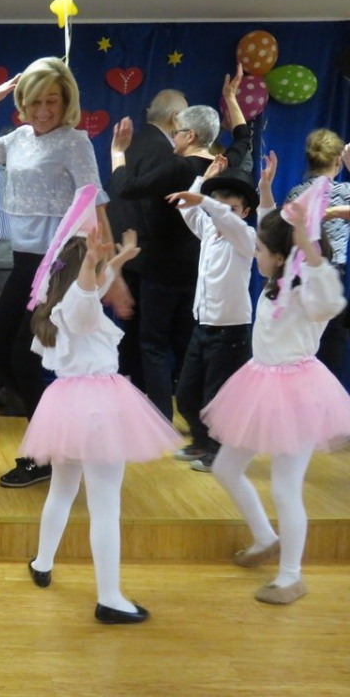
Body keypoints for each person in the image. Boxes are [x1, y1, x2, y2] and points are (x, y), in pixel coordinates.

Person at [0, 56, 119, 487]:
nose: (44, 110)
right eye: (36, 102)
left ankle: (45, 454)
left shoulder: (74, 142)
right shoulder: (17, 138)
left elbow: (95, 199)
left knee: (23, 358)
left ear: (66, 102)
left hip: (60, 262)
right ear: (23, 104)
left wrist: (109, 270)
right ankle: (57, 439)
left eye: (53, 101)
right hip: (26, 262)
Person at [20, 195, 182, 624]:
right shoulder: (79, 304)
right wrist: (96, 262)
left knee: (62, 490)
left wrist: (117, 260)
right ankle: (109, 597)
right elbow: (87, 294)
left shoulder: (56, 307)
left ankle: (42, 562)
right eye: (95, 264)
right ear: (83, 271)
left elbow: (89, 287)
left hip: (68, 407)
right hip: (97, 408)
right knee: (105, 504)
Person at [203, 192, 350, 606]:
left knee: (286, 488)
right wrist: (267, 194)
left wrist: (309, 248)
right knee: (226, 467)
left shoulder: (309, 296)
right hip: (260, 383)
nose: (255, 255)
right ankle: (265, 537)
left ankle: (290, 577)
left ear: (282, 257)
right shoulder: (277, 284)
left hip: (299, 394)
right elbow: (270, 225)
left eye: (261, 251)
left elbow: (331, 299)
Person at [110, 67, 252, 428]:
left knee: (153, 345)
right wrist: (232, 99)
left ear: (190, 135)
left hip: (161, 269)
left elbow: (125, 188)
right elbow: (243, 139)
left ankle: (160, 419)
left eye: (176, 132)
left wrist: (117, 152)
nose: (172, 137)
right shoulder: (223, 165)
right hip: (199, 270)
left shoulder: (177, 167)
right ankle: (201, 420)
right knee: (187, 345)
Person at [166, 154, 260, 473]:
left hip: (230, 333)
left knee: (217, 399)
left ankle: (220, 453)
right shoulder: (209, 229)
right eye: (220, 207)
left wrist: (207, 200)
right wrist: (202, 180)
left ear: (245, 213)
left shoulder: (244, 238)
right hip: (203, 327)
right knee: (186, 394)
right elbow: (187, 208)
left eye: (233, 208)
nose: (223, 213)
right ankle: (202, 441)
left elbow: (226, 220)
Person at [105, 89, 189, 391]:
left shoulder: (132, 143)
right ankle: (144, 402)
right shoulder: (162, 151)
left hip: (128, 252)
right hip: (151, 259)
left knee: (134, 338)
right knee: (149, 342)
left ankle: (130, 395)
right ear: (176, 118)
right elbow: (152, 208)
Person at [285, 128, 350, 379]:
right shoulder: (345, 191)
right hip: (331, 275)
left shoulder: (295, 193)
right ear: (337, 161)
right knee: (331, 349)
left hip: (300, 275)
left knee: (299, 347)